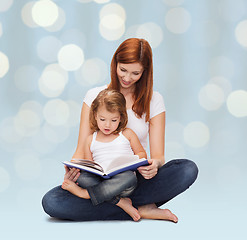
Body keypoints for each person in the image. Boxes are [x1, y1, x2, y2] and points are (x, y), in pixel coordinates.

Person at [42, 38, 198, 222]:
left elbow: (158, 156)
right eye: (123, 69)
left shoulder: (154, 100)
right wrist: (73, 170)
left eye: (135, 73)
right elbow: (82, 150)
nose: (126, 78)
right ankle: (137, 207)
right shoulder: (94, 96)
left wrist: (154, 165)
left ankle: (117, 203)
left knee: (187, 169)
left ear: (145, 72)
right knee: (52, 201)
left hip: (133, 178)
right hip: (98, 178)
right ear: (115, 63)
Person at [62, 89, 148, 221]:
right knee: (83, 178)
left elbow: (142, 153)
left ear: (121, 118)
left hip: (123, 183)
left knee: (130, 177)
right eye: (103, 119)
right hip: (100, 181)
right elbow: (89, 165)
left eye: (114, 120)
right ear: (95, 115)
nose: (107, 125)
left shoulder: (127, 134)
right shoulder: (90, 139)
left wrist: (136, 160)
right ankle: (119, 202)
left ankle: (85, 194)